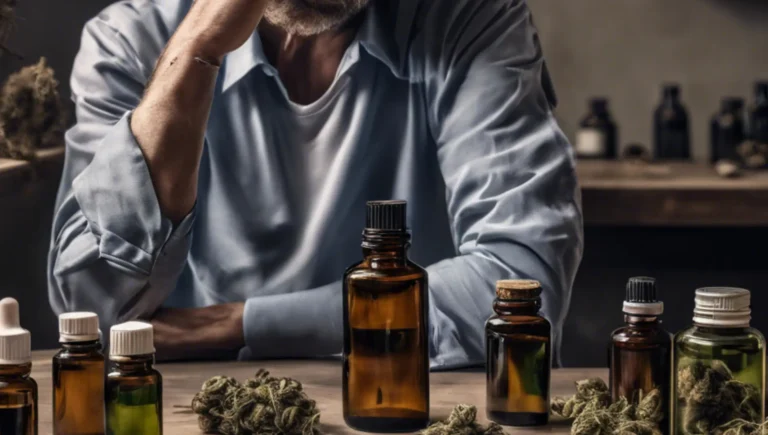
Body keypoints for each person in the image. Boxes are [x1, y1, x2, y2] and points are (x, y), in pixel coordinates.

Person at [48, 0, 583, 367]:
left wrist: (239, 326)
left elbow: (520, 288)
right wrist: (195, 48)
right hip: (205, 406)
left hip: (416, 403)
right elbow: (94, 312)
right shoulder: (130, 39)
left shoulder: (471, 19)